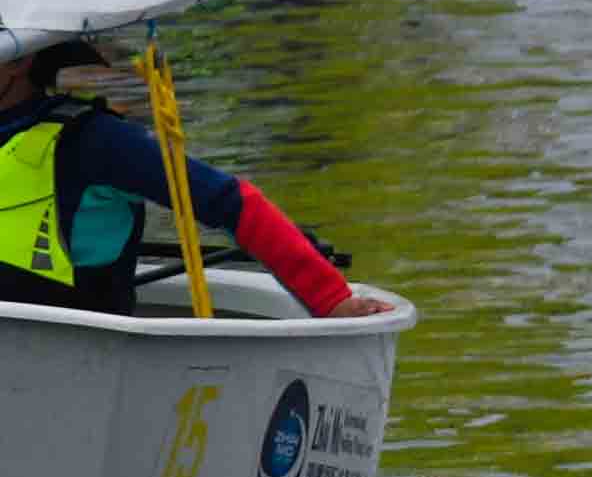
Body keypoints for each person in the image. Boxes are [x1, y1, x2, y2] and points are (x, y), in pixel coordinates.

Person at [0, 33, 350, 315]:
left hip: (75, 359)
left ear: (18, 60)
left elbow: (233, 203)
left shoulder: (95, 141)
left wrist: (332, 298)